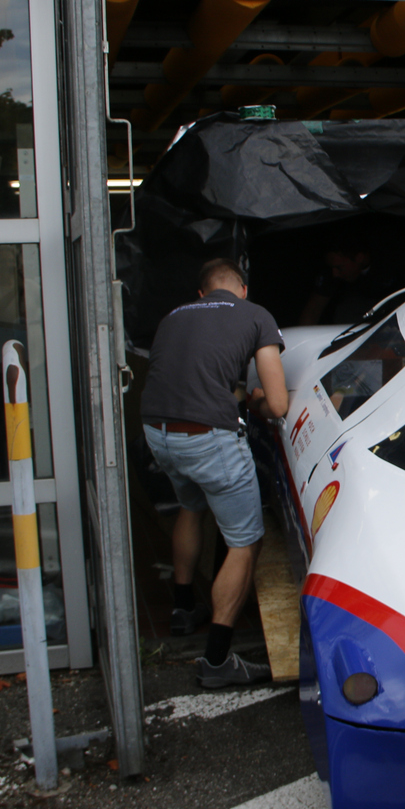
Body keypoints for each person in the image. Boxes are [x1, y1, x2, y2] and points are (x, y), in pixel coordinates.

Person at [141, 258, 291, 688]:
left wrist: (236, 394)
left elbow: (187, 377)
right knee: (245, 542)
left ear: (202, 295)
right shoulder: (256, 315)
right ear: (242, 290)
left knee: (190, 507)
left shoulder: (174, 317)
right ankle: (217, 660)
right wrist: (258, 401)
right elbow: (278, 406)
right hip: (207, 438)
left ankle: (183, 607)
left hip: (158, 431)